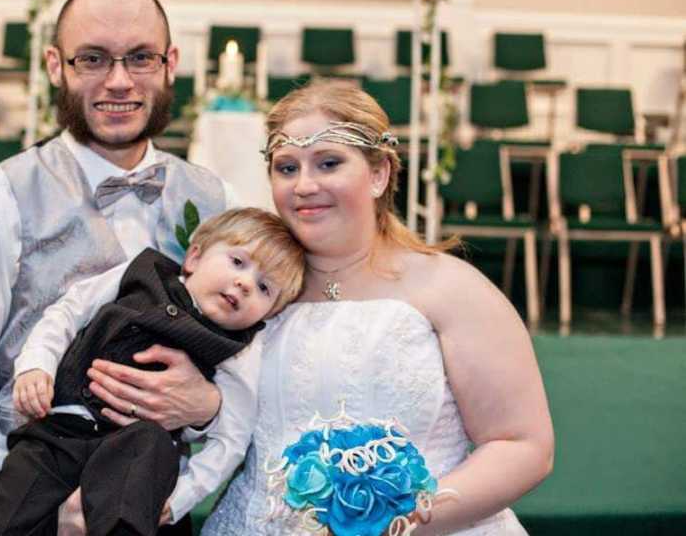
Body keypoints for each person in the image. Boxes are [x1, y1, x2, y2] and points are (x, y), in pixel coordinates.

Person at [89, 80, 555, 535]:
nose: (304, 185)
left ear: (379, 174)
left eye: (328, 163)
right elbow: (226, 419)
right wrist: (203, 409)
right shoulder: (254, 294)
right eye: (286, 167)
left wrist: (399, 524)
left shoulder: (450, 288)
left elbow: (522, 445)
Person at [0, 0, 233, 536]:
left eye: (140, 58)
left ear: (170, 65)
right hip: (26, 506)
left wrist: (207, 406)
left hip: (155, 508)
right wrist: (42, 512)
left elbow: (244, 373)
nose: (118, 81)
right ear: (55, 66)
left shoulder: (217, 203)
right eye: (92, 58)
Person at [0, 208, 305, 536]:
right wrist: (36, 365)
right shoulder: (141, 274)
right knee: (11, 507)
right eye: (238, 262)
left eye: (265, 288)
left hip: (132, 451)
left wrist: (181, 498)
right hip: (59, 429)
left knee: (149, 448)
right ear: (194, 258)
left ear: (269, 313)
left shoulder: (239, 350)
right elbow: (69, 312)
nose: (245, 283)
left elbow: (231, 439)